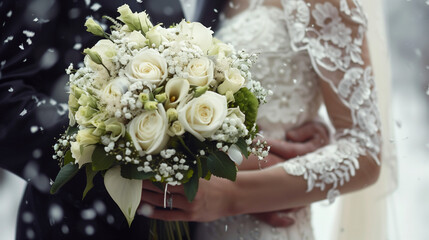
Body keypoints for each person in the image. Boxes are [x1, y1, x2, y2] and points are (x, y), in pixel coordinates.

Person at [0, 0, 330, 238]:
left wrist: (289, 128)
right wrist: (134, 173)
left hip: (206, 227)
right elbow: (6, 95)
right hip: (79, 225)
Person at [140, 0, 386, 239]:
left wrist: (233, 195)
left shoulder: (326, 3)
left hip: (265, 226)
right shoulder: (217, 4)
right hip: (201, 221)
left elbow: (365, 154)